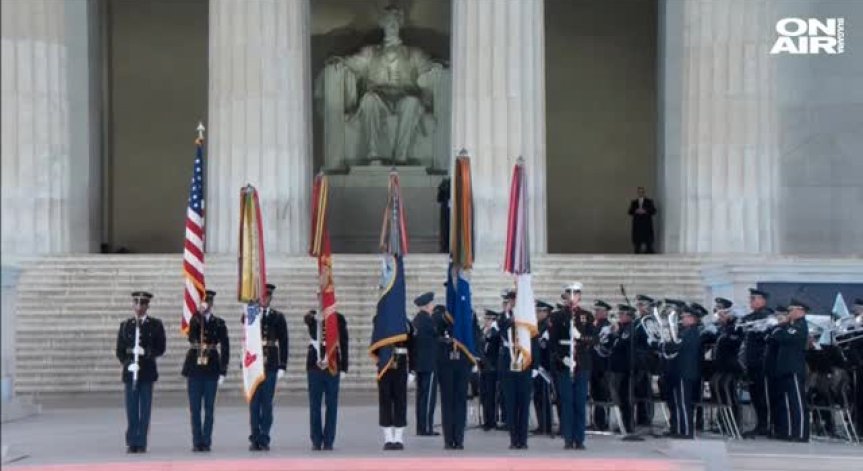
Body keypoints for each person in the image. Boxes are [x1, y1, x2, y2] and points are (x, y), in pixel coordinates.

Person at [115, 291, 166, 454]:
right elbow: (120, 350)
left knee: (144, 409)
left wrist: (146, 352)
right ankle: (132, 441)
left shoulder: (156, 325)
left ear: (147, 306)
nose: (139, 307)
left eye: (142, 304)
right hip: (131, 372)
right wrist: (127, 363)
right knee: (131, 408)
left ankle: (142, 441)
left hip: (147, 371)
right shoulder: (125, 325)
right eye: (136, 304)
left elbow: (161, 348)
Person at [182, 290, 230, 452]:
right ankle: (197, 441)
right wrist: (198, 315)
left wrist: (223, 370)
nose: (207, 304)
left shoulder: (219, 323)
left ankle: (206, 440)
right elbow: (190, 336)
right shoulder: (194, 320)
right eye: (204, 301)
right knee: (195, 408)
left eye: (209, 302)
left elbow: (225, 347)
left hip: (211, 368)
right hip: (194, 368)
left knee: (209, 408)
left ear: (212, 303)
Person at [549, 283, 595, 449]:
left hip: (581, 365)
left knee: (580, 403)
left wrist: (580, 336)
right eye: (569, 293)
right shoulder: (557, 316)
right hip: (564, 365)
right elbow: (552, 343)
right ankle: (568, 438)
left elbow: (593, 339)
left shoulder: (587, 316)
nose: (572, 296)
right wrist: (562, 359)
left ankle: (580, 439)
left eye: (575, 293)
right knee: (567, 403)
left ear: (580, 296)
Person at [247, 283, 289, 451]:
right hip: (255, 363)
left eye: (267, 297)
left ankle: (264, 437)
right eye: (262, 297)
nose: (264, 300)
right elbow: (246, 337)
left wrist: (282, 365)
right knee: (254, 404)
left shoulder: (278, 317)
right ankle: (254, 436)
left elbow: (284, 342)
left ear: (271, 298)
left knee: (267, 403)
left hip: (270, 363)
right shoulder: (252, 315)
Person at [304, 304, 349, 451]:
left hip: (332, 364)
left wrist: (344, 367)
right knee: (315, 405)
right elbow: (307, 319)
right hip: (314, 366)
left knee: (332, 405)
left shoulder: (338, 318)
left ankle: (329, 440)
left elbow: (344, 343)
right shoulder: (312, 317)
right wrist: (314, 318)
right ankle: (316, 440)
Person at [660, 303, 704, 439]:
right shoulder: (685, 332)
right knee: (677, 403)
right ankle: (677, 428)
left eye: (685, 317)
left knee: (684, 404)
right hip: (678, 371)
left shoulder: (692, 333)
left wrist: (662, 344)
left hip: (685, 372)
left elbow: (677, 346)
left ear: (692, 318)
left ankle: (686, 431)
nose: (682, 319)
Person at [498, 289, 534, 449]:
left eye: (515, 300)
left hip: (525, 363)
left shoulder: (528, 319)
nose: (513, 303)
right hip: (508, 364)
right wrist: (508, 314)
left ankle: (523, 439)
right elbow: (502, 327)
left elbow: (535, 342)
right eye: (511, 300)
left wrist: (536, 367)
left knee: (524, 404)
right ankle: (514, 439)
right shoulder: (502, 318)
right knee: (511, 404)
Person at [772, 299, 810, 442]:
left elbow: (785, 336)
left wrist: (783, 325)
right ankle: (788, 431)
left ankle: (801, 433)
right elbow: (775, 336)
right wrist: (783, 326)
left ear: (800, 310)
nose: (789, 313)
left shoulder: (801, 326)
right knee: (787, 402)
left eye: (791, 310)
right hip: (784, 368)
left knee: (797, 402)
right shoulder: (790, 325)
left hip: (794, 368)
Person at [435, 303, 472, 449]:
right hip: (445, 363)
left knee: (460, 402)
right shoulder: (440, 315)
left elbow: (473, 335)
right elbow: (435, 336)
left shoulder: (469, 314)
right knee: (447, 402)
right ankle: (448, 439)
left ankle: (459, 438)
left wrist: (475, 359)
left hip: (462, 362)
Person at [741, 288, 773, 438]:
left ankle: (767, 425)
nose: (751, 301)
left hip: (762, 363)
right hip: (751, 362)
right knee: (755, 396)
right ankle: (759, 424)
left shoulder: (767, 316)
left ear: (763, 300)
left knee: (763, 396)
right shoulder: (749, 317)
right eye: (751, 299)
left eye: (755, 298)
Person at [709, 298, 743, 429]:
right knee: (718, 391)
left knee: (729, 393)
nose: (719, 316)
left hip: (731, 366)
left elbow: (735, 342)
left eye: (721, 313)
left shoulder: (735, 327)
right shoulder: (721, 328)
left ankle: (733, 423)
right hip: (721, 366)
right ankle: (723, 421)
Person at [604, 304, 636, 434]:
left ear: (629, 316)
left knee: (625, 398)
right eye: (620, 314)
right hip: (616, 368)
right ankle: (622, 423)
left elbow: (621, 344)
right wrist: (613, 334)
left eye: (622, 314)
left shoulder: (629, 329)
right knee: (618, 398)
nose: (620, 317)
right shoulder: (621, 328)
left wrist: (616, 334)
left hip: (624, 368)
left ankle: (627, 425)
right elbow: (610, 344)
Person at [411, 292, 439, 436]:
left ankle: (421, 426)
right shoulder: (429, 321)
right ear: (427, 305)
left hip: (419, 364)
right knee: (428, 397)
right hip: (429, 364)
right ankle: (427, 427)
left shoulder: (416, 320)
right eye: (432, 304)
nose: (433, 306)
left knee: (420, 397)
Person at [531, 301, 554, 436]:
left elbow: (545, 347)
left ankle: (546, 424)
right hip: (537, 366)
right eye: (537, 311)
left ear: (546, 313)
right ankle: (541, 424)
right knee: (538, 397)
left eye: (540, 311)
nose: (538, 314)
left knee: (545, 397)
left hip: (544, 366)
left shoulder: (547, 327)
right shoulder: (538, 326)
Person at [590, 300, 612, 431]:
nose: (596, 313)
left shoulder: (607, 327)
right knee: (594, 394)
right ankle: (596, 421)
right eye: (596, 310)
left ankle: (603, 422)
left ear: (605, 312)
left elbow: (603, 346)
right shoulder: (595, 325)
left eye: (599, 310)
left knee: (603, 395)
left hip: (603, 366)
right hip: (594, 365)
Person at [479, 309, 501, 431]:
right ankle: (486, 419)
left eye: (488, 319)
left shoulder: (495, 332)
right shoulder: (483, 331)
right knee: (484, 395)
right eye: (485, 319)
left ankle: (492, 420)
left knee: (491, 396)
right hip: (483, 367)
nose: (486, 321)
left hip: (492, 367)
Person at [627, 186, 657, 254]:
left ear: (644, 193)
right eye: (639, 192)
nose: (641, 193)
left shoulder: (649, 201)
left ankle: (649, 251)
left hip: (646, 224)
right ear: (638, 193)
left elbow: (654, 211)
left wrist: (645, 211)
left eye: (642, 192)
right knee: (637, 242)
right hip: (637, 224)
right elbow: (630, 212)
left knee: (648, 241)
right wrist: (636, 211)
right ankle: (637, 251)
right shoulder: (634, 202)